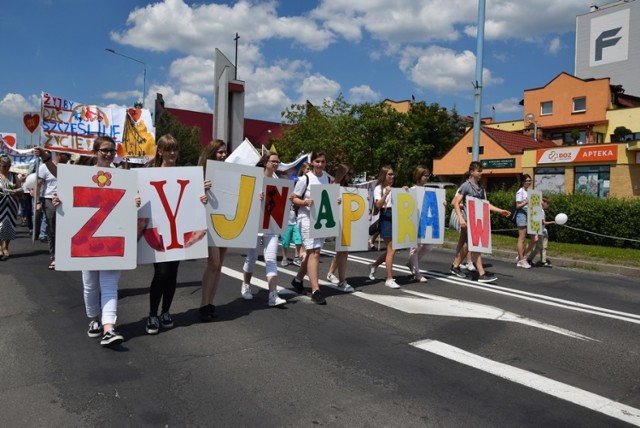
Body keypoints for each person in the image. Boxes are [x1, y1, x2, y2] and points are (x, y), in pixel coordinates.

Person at [53, 136, 139, 346]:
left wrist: (135, 201)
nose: (108, 154)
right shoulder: (79, 176)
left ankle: (109, 328)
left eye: (111, 150)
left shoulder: (124, 178)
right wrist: (58, 201)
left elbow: (127, 207)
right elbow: (69, 202)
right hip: (86, 240)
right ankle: (94, 320)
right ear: (95, 152)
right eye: (104, 150)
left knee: (109, 285)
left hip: (112, 238)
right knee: (90, 285)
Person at [144, 134, 209, 334]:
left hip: (179, 231)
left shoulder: (187, 175)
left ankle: (165, 311)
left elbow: (192, 203)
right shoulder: (150, 173)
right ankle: (152, 314)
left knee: (172, 273)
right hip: (159, 232)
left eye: (175, 149)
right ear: (160, 151)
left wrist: (202, 197)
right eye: (168, 149)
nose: (172, 153)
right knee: (161, 273)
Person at [450, 161, 510, 283]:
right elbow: (456, 202)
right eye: (478, 171)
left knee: (469, 245)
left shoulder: (481, 188)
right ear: (472, 172)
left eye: (481, 171)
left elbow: (485, 205)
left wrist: (500, 211)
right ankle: (481, 273)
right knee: (474, 245)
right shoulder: (466, 185)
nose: (481, 173)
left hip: (476, 221)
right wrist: (461, 218)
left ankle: (455, 266)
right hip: (468, 220)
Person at [240, 152, 288, 306]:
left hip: (271, 224)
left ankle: (273, 295)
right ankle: (246, 285)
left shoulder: (277, 180)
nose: (276, 164)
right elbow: (244, 197)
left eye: (277, 162)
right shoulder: (255, 177)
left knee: (271, 259)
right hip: (255, 223)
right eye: (273, 161)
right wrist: (255, 198)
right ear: (265, 162)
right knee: (251, 258)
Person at [290, 150, 330, 304]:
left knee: (312, 253)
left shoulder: (326, 178)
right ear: (312, 162)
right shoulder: (304, 178)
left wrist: (335, 200)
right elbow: (294, 198)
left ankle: (298, 280)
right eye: (317, 161)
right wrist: (304, 202)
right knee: (315, 252)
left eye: (322, 161)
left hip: (321, 218)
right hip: (306, 218)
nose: (320, 164)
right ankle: (316, 290)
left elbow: (327, 197)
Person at [198, 139, 227, 321]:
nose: (223, 155)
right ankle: (203, 304)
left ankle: (210, 303)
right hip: (208, 222)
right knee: (213, 263)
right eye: (220, 152)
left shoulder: (228, 172)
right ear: (212, 153)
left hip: (225, 222)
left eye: (225, 152)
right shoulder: (201, 172)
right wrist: (200, 188)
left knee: (219, 265)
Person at [33, 148, 71, 270]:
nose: (69, 158)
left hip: (67, 200)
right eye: (67, 155)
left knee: (66, 229)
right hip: (50, 200)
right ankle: (54, 256)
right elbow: (38, 185)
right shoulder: (44, 167)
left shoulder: (70, 167)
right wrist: (38, 202)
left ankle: (65, 254)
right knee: (53, 228)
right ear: (59, 154)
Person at [368, 166, 401, 289]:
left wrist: (404, 191)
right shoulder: (379, 188)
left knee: (391, 250)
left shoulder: (394, 188)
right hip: (386, 216)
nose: (392, 177)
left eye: (393, 175)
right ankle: (389, 278)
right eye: (389, 175)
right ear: (384, 176)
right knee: (391, 250)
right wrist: (386, 193)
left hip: (395, 216)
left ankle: (374, 265)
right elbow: (378, 205)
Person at [325, 163, 356, 292]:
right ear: (343, 174)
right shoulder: (333, 186)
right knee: (343, 250)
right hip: (336, 221)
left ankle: (331, 273)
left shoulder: (348, 188)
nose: (351, 177)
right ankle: (342, 280)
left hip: (345, 221)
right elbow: (326, 202)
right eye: (349, 174)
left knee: (342, 250)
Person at [405, 165, 434, 283]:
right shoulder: (411, 190)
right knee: (414, 247)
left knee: (428, 246)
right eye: (425, 175)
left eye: (428, 175)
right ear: (419, 176)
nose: (427, 178)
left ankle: (411, 262)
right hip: (413, 222)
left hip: (425, 222)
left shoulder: (429, 191)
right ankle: (417, 273)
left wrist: (442, 203)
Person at [280, 162, 309, 267]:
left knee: (298, 240)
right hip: (286, 220)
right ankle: (284, 257)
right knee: (285, 242)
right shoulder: (294, 180)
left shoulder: (304, 184)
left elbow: (300, 198)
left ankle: (297, 257)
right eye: (307, 169)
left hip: (296, 219)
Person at [0, 155, 24, 260]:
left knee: (9, 225)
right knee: (0, 226)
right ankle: (0, 247)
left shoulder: (13, 176)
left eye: (9, 166)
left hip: (11, 204)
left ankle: (6, 246)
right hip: (0, 204)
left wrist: (16, 191)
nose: (7, 168)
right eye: (4, 166)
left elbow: (21, 190)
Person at [515, 173, 538, 269]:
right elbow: (518, 206)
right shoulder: (520, 192)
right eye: (526, 181)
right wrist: (526, 202)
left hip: (531, 215)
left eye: (530, 181)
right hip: (522, 215)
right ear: (522, 182)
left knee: (535, 238)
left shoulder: (530, 191)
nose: (528, 182)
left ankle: (522, 255)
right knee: (522, 238)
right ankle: (521, 259)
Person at [527, 196, 554, 267]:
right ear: (544, 203)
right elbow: (543, 222)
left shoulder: (541, 210)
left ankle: (541, 261)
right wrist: (552, 222)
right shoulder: (541, 211)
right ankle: (529, 259)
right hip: (540, 231)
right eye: (548, 204)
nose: (548, 206)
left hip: (542, 230)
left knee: (542, 246)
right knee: (538, 247)